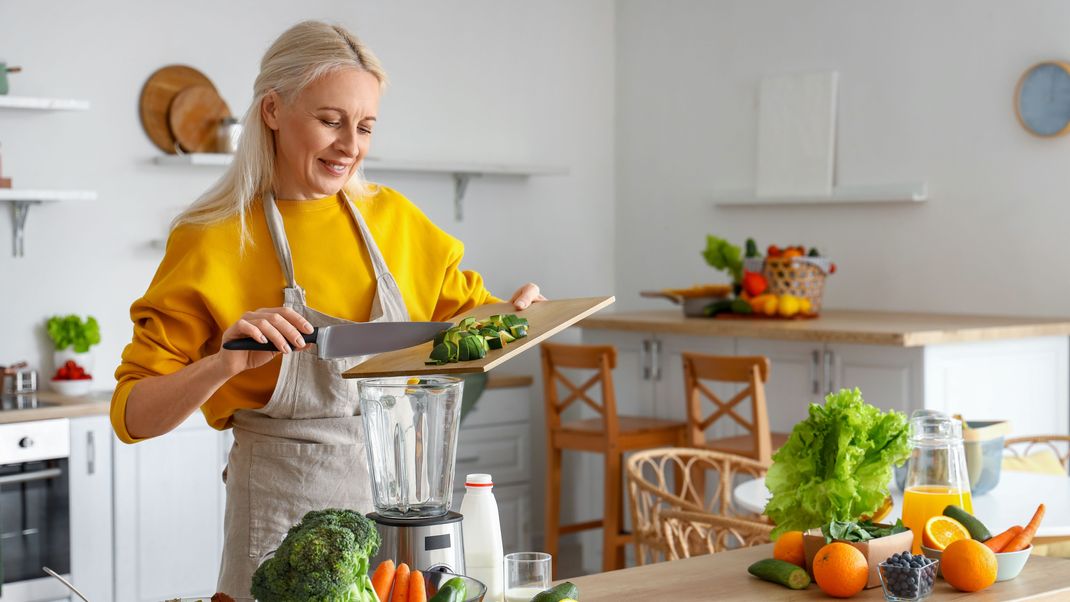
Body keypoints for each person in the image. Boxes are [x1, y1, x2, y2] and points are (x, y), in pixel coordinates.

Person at [111, 20, 544, 597]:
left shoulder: (395, 220)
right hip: (276, 522)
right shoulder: (211, 238)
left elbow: (470, 321)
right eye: (330, 121)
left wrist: (518, 313)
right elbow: (132, 417)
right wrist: (225, 364)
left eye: (364, 126)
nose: (351, 145)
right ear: (272, 110)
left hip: (394, 523)